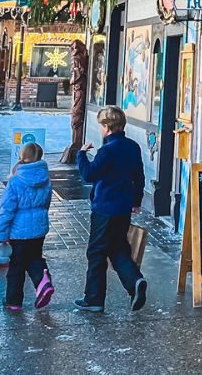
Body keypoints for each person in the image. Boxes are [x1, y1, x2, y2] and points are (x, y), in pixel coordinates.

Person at [74, 106, 147, 313]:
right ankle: (135, 281)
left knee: (96, 252)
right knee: (118, 249)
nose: (100, 130)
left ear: (107, 127)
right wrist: (136, 200)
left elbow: (89, 174)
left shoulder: (107, 151)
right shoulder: (133, 147)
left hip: (104, 208)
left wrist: (81, 154)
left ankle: (94, 299)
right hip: (123, 208)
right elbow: (139, 177)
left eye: (101, 126)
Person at [0, 143, 55, 310]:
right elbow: (46, 203)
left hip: (19, 232)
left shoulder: (15, 182)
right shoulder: (46, 180)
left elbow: (6, 211)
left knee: (16, 266)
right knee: (35, 258)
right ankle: (43, 281)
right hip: (39, 229)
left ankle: (13, 301)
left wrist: (0, 234)